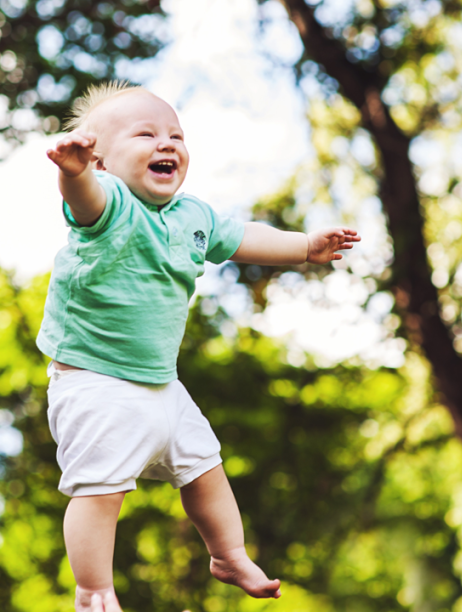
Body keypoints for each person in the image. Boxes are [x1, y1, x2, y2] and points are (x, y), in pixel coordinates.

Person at [38, 81, 361, 612]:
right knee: (100, 491)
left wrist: (305, 247)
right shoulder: (109, 203)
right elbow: (85, 199)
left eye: (176, 136)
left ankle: (229, 554)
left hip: (162, 384)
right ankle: (93, 589)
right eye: (146, 134)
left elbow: (244, 237)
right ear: (102, 160)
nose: (167, 144)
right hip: (96, 382)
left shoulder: (193, 216)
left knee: (205, 467)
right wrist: (72, 173)